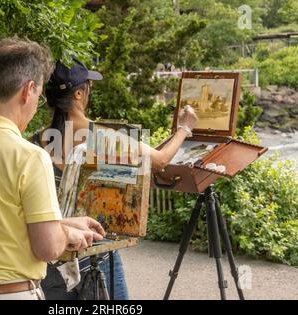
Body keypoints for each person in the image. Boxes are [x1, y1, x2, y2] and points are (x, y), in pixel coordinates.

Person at [0, 38, 105, 300]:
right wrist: (68, 233)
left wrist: (62, 222)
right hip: (7, 293)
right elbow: (48, 247)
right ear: (28, 90)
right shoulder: (29, 157)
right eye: (38, 96)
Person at [33, 59, 198, 300]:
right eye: (88, 87)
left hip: (55, 257)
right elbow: (160, 160)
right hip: (97, 252)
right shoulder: (101, 134)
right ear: (78, 94)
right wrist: (185, 128)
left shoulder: (37, 141)